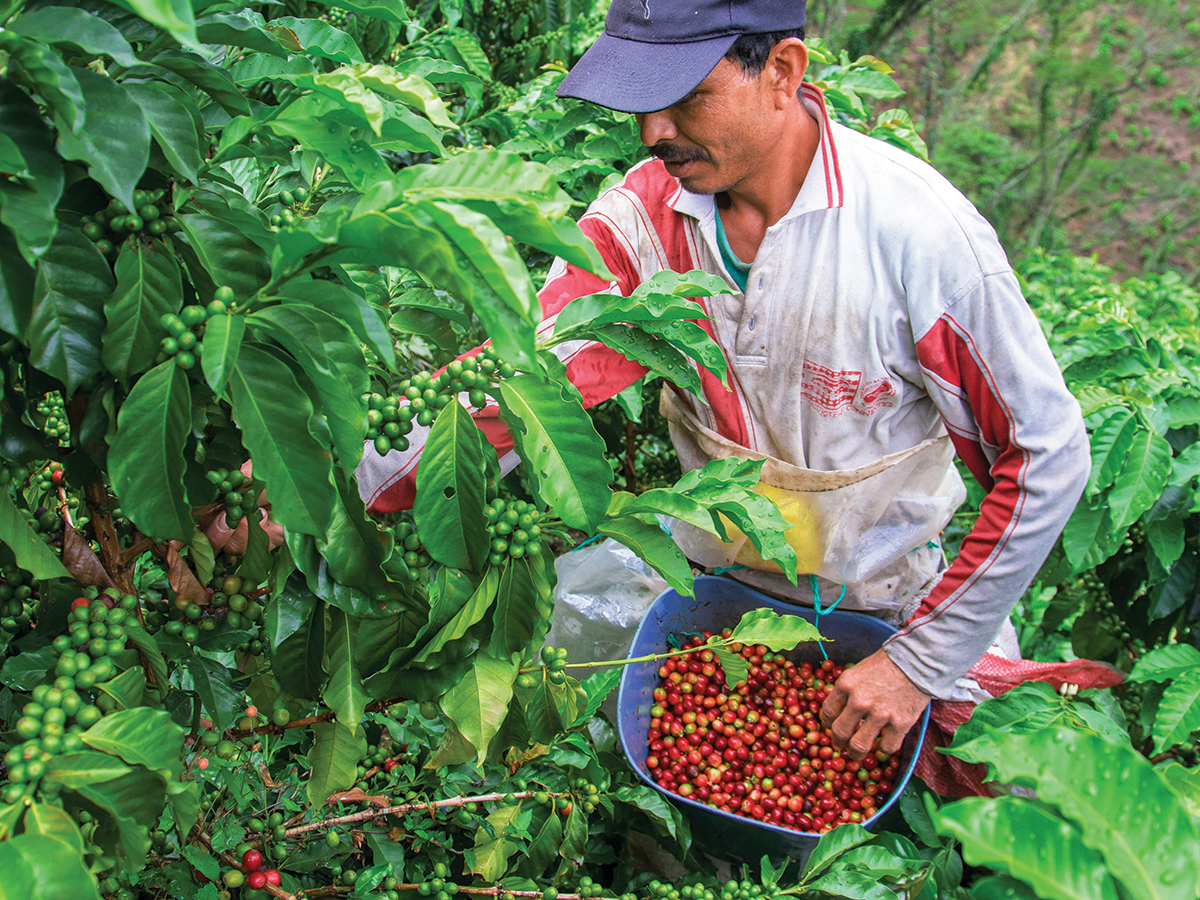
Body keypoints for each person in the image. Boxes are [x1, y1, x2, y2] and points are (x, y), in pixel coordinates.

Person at [356, 0, 1098, 780]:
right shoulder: (648, 223)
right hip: (711, 600)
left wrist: (919, 663)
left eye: (687, 97)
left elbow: (1044, 454)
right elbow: (519, 385)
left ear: (782, 71)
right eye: (643, 102)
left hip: (887, 604)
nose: (653, 132)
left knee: (960, 828)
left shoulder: (916, 237)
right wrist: (319, 487)